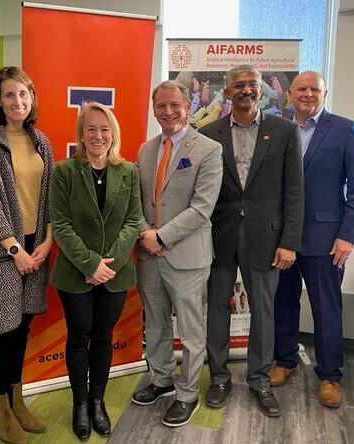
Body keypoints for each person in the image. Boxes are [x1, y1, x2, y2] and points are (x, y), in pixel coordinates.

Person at [199, 64, 304, 417]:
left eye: (252, 85)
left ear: (262, 90)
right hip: (219, 234)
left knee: (264, 310)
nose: (246, 90)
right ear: (227, 92)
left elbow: (294, 191)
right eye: (239, 85)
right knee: (217, 308)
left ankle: (259, 379)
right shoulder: (208, 133)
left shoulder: (286, 131)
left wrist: (290, 241)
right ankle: (218, 377)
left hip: (268, 237)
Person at [270, 71, 354, 408]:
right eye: (302, 88)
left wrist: (348, 236)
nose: (308, 94)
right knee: (282, 303)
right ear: (290, 94)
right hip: (281, 237)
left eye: (315, 89)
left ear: (325, 94)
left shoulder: (345, 129)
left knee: (326, 309)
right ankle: (285, 360)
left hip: (326, 239)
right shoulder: (277, 129)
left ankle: (329, 375)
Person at [130, 80, 222, 427]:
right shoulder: (145, 149)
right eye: (161, 106)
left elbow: (202, 207)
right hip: (149, 255)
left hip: (187, 256)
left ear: (187, 105)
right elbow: (135, 199)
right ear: (154, 109)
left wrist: (162, 237)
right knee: (154, 324)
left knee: (191, 330)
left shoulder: (208, 149)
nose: (168, 112)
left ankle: (187, 395)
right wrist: (144, 233)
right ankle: (161, 379)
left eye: (175, 105)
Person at [0, 67, 53, 444]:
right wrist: (15, 248)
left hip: (37, 245)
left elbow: (51, 195)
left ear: (31, 97)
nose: (17, 102)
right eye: (9, 95)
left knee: (22, 327)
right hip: (4, 250)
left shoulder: (42, 141)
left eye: (23, 94)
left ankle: (17, 400)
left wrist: (48, 240)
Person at [49, 102, 142, 441]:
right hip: (75, 274)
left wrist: (108, 265)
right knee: (78, 337)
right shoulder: (64, 171)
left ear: (113, 133)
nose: (98, 135)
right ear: (81, 134)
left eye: (104, 129)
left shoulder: (128, 171)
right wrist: (90, 264)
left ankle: (97, 401)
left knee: (103, 337)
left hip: (116, 273)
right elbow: (60, 223)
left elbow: (133, 221)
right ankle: (80, 405)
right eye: (91, 129)